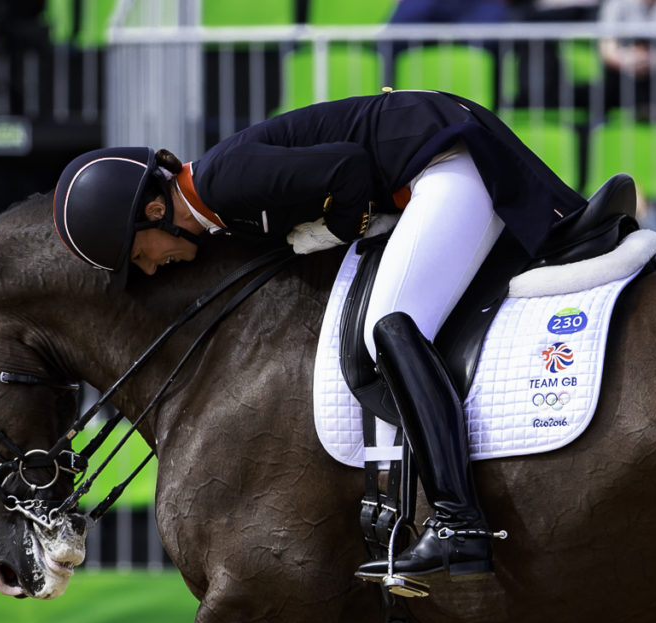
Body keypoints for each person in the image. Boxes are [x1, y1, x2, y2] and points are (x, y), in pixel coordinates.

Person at [52, 90, 587, 586]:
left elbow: (348, 168)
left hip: (444, 164)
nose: (146, 268)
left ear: (154, 211)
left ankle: (459, 521)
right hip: (429, 161)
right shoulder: (220, 208)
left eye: (136, 253)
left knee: (390, 327)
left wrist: (336, 230)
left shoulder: (222, 183)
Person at [597, 0, 656, 122]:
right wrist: (628, 61)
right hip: (624, 78)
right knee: (596, 97)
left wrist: (654, 60)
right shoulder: (615, 4)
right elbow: (607, 48)